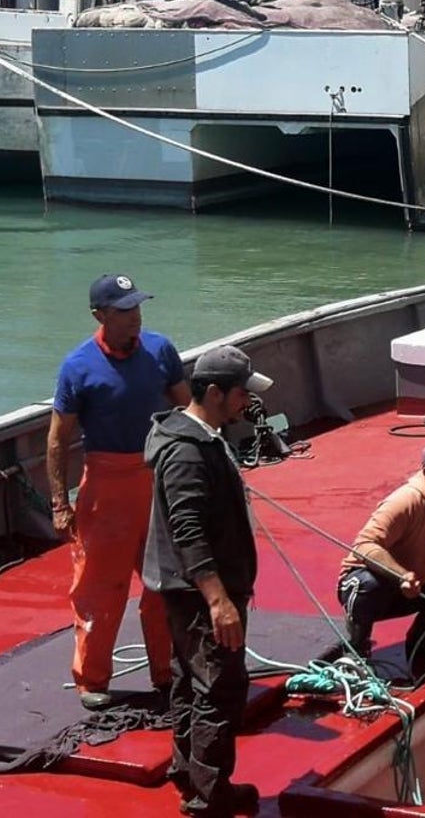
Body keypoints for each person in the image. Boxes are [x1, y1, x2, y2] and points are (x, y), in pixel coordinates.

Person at [47, 273, 191, 710]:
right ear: (100, 315)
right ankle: (92, 679)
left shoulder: (161, 349)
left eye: (137, 307)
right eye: (124, 310)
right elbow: (58, 440)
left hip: (158, 475)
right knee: (98, 587)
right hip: (106, 484)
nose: (136, 316)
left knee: (165, 582)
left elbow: (187, 409)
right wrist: (60, 502)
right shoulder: (77, 366)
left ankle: (167, 671)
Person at [142, 344, 273, 818]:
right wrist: (219, 600)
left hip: (187, 590)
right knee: (218, 688)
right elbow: (188, 529)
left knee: (188, 682)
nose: (247, 403)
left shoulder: (203, 438)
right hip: (200, 593)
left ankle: (189, 774)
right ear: (214, 393)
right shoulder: (187, 454)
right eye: (241, 394)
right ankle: (209, 797)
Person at [336, 438, 425, 663]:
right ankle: (357, 649)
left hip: (421, 586)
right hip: (379, 587)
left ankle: (423, 638)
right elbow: (363, 546)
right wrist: (401, 575)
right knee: (366, 584)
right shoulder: (405, 500)